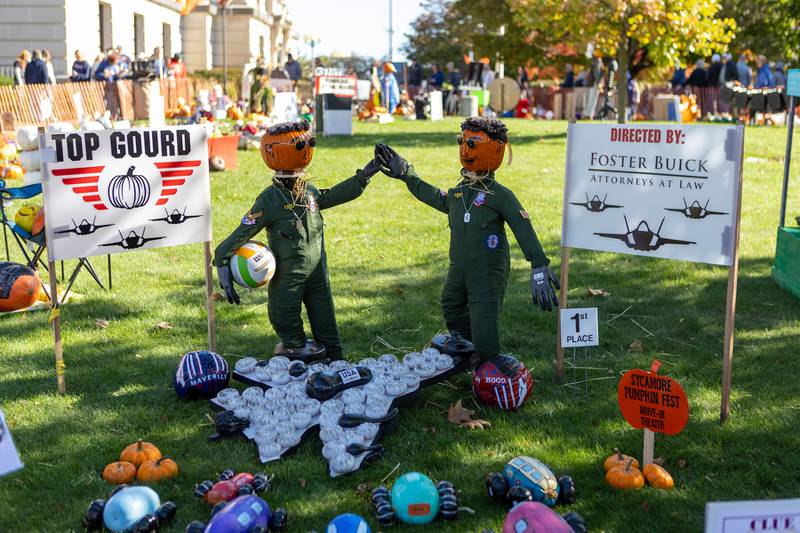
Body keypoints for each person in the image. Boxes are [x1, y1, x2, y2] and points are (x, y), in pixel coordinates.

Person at [375, 117, 560, 364]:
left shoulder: (500, 195)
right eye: (462, 142)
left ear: (495, 149)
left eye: (472, 144)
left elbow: (522, 224)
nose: (465, 149)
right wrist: (407, 174)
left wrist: (538, 264)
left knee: (484, 317)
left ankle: (489, 364)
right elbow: (435, 196)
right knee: (451, 304)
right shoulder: (459, 193)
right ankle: (468, 351)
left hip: (488, 270)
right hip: (459, 268)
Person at [213, 120, 381, 361]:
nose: (306, 149)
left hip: (318, 273)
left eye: (308, 143)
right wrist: (222, 261)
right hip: (288, 277)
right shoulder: (270, 200)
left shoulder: (309, 191)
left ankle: (336, 363)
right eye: (300, 145)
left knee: (326, 323)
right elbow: (242, 232)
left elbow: (332, 195)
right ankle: (298, 365)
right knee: (285, 320)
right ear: (272, 151)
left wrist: (364, 175)